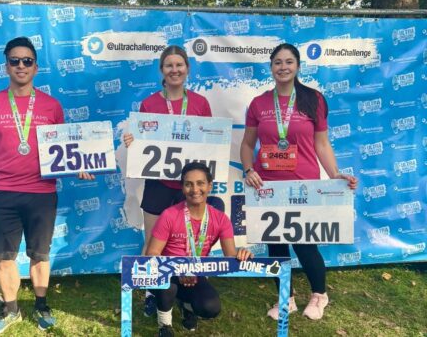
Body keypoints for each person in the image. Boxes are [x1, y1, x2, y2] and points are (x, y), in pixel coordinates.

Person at [0, 37, 93, 334]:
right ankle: (11, 309)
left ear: (36, 67)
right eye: (14, 60)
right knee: (3, 257)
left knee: (39, 255)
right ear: (6, 66)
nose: (21, 66)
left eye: (27, 60)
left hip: (41, 193)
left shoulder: (52, 106)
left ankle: (41, 305)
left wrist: (78, 166)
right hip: (2, 193)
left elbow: (64, 150)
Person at [240, 43, 358, 321]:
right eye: (278, 62)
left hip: (304, 186)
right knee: (276, 245)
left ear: (298, 66)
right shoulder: (259, 104)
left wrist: (335, 176)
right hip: (267, 187)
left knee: (305, 244)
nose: (283, 67)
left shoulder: (313, 99)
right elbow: (247, 145)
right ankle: (287, 298)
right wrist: (248, 169)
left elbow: (322, 144)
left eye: (289, 62)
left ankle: (320, 295)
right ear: (270, 68)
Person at [123, 45, 212, 317]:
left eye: (179, 65)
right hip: (159, 185)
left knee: (188, 241)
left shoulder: (200, 103)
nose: (175, 70)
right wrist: (132, 142)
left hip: (190, 188)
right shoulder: (150, 104)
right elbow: (143, 144)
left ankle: (186, 292)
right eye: (169, 65)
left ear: (187, 69)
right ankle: (152, 293)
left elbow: (210, 140)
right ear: (162, 70)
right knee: (153, 242)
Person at [145, 162, 253, 337]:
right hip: (169, 273)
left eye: (200, 183)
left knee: (210, 307)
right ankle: (164, 324)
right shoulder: (169, 215)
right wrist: (178, 270)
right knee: (168, 287)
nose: (195, 189)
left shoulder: (220, 219)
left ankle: (186, 306)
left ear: (210, 186)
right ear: (182, 188)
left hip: (196, 274)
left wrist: (242, 254)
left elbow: (231, 256)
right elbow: (153, 253)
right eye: (188, 184)